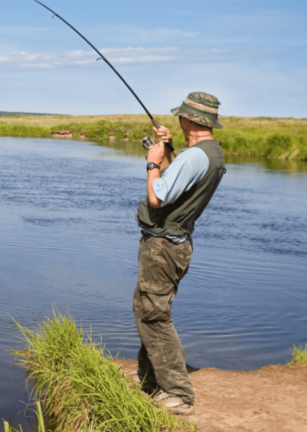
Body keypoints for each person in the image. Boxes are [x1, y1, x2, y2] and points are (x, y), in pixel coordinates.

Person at [132, 91, 226, 416]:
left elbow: (158, 196)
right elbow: (178, 181)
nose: (178, 120)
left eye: (181, 116)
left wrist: (153, 160)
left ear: (191, 120)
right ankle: (150, 376)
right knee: (145, 307)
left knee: (155, 315)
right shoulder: (208, 153)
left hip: (163, 248)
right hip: (173, 245)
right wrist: (170, 148)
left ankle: (178, 393)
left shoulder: (196, 157)